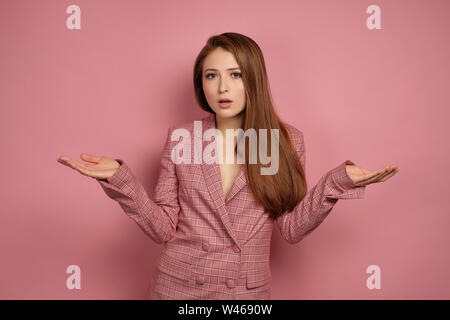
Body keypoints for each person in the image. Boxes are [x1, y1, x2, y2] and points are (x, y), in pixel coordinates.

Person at [56, 32, 398, 300]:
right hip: (178, 288)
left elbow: (291, 229)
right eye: (211, 75)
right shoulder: (181, 138)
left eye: (235, 74)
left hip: (244, 294)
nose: (222, 87)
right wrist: (121, 180)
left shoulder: (285, 140)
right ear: (200, 83)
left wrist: (336, 183)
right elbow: (163, 228)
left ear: (254, 79)